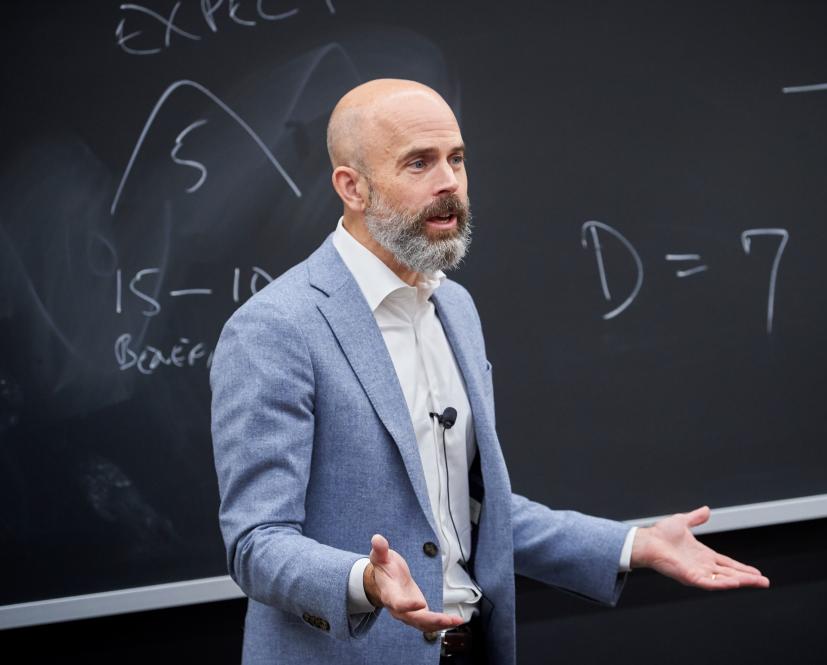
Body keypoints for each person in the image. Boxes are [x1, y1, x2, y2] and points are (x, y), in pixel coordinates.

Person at [210, 78, 769, 665]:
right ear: (353, 187)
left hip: (471, 648)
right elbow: (256, 543)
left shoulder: (454, 308)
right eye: (419, 163)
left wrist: (634, 544)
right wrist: (363, 581)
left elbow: (475, 518)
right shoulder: (277, 328)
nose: (449, 182)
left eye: (457, 159)